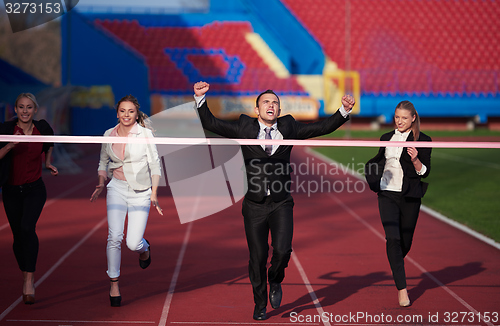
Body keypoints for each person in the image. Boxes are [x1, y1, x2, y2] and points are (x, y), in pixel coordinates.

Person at [193, 81, 355, 320]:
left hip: (281, 202)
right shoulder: (244, 126)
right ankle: (260, 303)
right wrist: (200, 99)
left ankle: (276, 279)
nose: (271, 105)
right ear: (257, 110)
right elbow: (212, 123)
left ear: (279, 109)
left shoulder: (289, 126)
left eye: (275, 103)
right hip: (254, 204)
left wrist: (343, 111)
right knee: (257, 258)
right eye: (266, 102)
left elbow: (321, 127)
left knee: (282, 250)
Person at [90, 95, 163, 307]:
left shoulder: (145, 134)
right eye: (123, 111)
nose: (126, 115)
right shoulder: (108, 134)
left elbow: (155, 165)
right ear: (117, 113)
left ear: (136, 113)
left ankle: (144, 248)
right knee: (114, 237)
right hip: (117, 188)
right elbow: (103, 161)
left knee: (132, 243)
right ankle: (114, 283)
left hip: (140, 190)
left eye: (130, 111)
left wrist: (154, 193)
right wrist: (102, 181)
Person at [364, 100, 432, 307]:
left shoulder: (423, 140)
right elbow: (378, 159)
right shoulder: (386, 138)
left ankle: (395, 261)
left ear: (413, 118)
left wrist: (416, 160)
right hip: (387, 194)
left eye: (404, 118)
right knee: (392, 239)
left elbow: (425, 172)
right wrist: (373, 174)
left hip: (410, 196)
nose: (399, 121)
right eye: (396, 117)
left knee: (405, 242)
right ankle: (402, 290)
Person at [0, 93, 58, 305]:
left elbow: (50, 140)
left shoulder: (41, 128)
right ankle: (24, 274)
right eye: (21, 107)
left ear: (35, 110)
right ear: (15, 110)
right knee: (17, 236)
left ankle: (29, 280)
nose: (25, 111)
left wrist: (48, 162)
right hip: (11, 190)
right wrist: (8, 146)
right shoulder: (5, 130)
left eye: (29, 107)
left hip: (35, 188)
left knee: (27, 228)